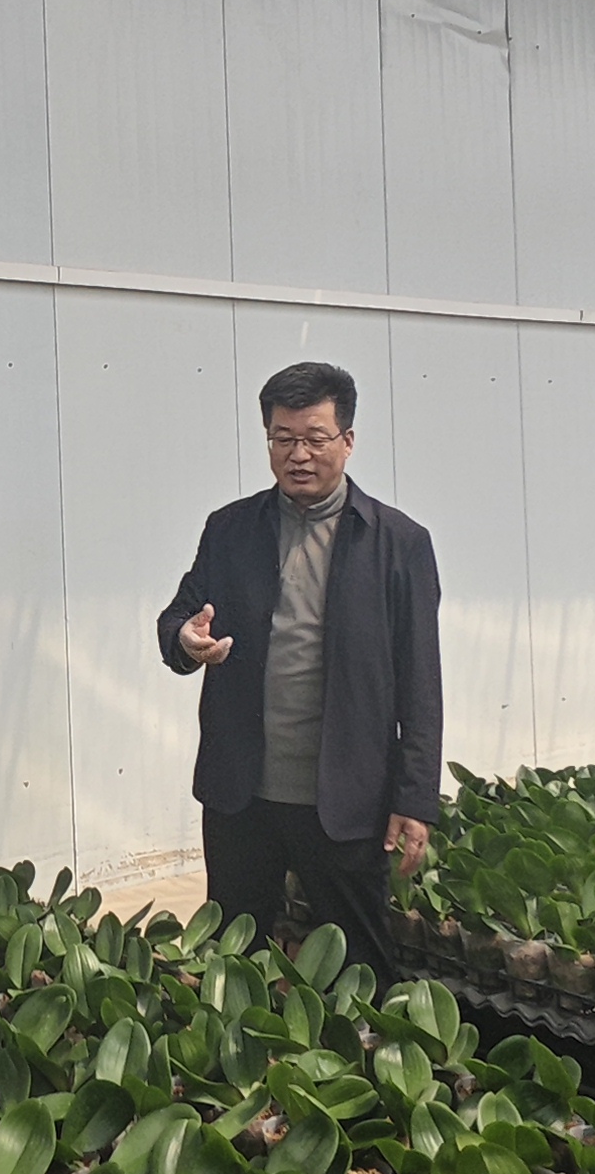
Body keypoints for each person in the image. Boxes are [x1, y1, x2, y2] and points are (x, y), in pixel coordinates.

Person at [159, 361, 441, 976]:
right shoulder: (230, 529)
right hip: (242, 796)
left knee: (359, 963)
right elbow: (180, 614)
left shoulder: (397, 543)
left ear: (348, 440)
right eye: (282, 439)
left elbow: (421, 683)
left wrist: (415, 798)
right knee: (234, 960)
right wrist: (186, 637)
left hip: (345, 799)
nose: (298, 455)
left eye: (315, 438)